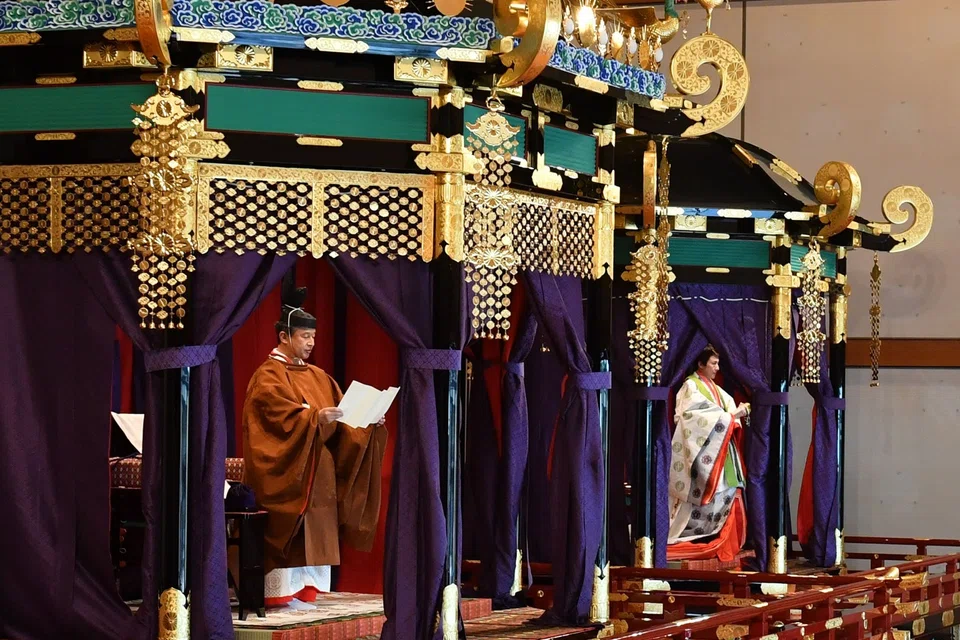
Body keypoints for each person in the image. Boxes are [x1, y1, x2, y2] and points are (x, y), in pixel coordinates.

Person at [242, 289, 387, 606]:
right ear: (284, 335)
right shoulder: (268, 376)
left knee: (317, 534)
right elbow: (273, 419)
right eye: (304, 336)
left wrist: (367, 423)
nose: (310, 343)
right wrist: (311, 419)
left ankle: (308, 589)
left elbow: (343, 419)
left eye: (313, 337)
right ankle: (279, 595)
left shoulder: (320, 377)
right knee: (291, 531)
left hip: (320, 472)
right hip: (291, 472)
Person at [667, 345, 749, 562]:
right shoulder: (690, 387)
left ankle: (714, 539)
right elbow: (688, 417)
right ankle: (685, 539)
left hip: (722, 453)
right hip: (701, 453)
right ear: (700, 364)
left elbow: (726, 413)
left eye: (718, 363)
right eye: (713, 363)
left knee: (727, 495)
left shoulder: (718, 391)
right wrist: (730, 417)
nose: (717, 368)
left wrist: (733, 416)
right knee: (692, 503)